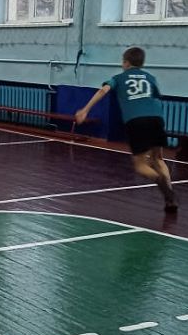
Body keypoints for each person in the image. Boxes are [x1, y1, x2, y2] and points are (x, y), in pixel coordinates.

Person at [75, 46, 178, 212]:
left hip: (136, 121)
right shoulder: (150, 77)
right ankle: (170, 197)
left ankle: (162, 184)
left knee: (140, 165)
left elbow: (103, 90)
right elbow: (156, 99)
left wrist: (85, 109)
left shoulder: (119, 78)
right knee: (158, 159)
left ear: (126, 63)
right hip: (156, 119)